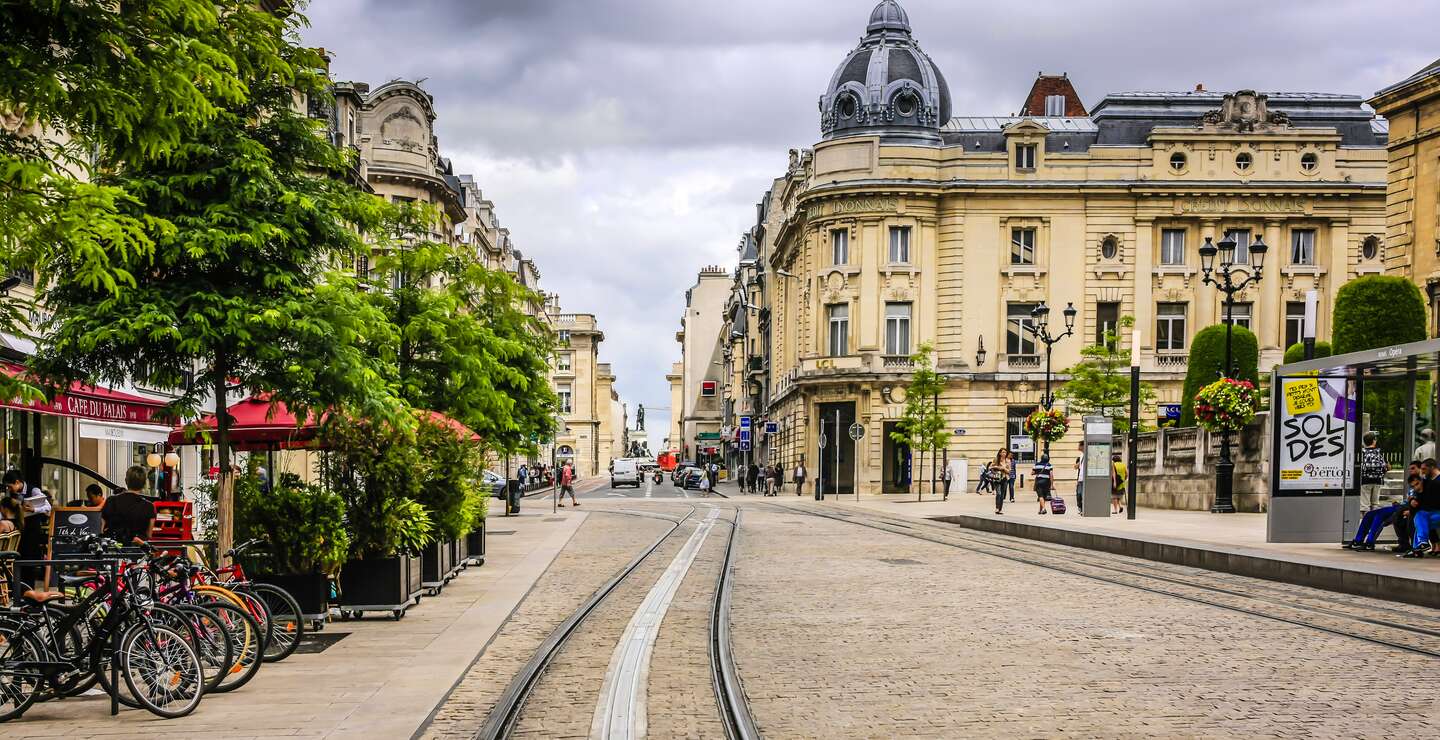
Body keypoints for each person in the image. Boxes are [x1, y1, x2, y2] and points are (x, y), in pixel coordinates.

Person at [1351, 474, 1417, 550]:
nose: (1411, 471)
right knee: (1369, 514)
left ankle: (1370, 542)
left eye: (1413, 469)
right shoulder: (1413, 484)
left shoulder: (1420, 485)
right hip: (1400, 506)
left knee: (1379, 516)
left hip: (1404, 508)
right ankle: (1358, 541)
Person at [101, 465, 156, 546]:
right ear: (144, 483)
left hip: (113, 549)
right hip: (137, 551)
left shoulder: (111, 501)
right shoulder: (149, 506)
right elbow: (149, 535)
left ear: (126, 481)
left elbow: (101, 529)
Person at [1401, 457, 1440, 557]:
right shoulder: (1426, 482)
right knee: (1419, 519)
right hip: (1431, 513)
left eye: (1424, 469)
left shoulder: (1433, 483)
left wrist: (1414, 502)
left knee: (1419, 518)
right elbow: (1420, 501)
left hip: (1435, 512)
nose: (1422, 472)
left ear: (1431, 467)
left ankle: (1419, 546)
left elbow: (1430, 502)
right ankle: (1420, 545)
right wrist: (1411, 501)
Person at [1359, 432, 1389, 513]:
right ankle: (1374, 522)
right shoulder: (1379, 452)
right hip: (1378, 480)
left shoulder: (1362, 452)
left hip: (1365, 480)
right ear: (1374, 441)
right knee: (1375, 504)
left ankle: (1366, 521)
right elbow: (1387, 467)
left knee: (1365, 506)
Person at [988, 450, 1010, 514]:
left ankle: (1000, 509)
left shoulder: (1007, 461)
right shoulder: (996, 460)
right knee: (999, 493)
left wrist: (1003, 469)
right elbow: (990, 467)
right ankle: (997, 508)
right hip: (997, 478)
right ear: (1000, 453)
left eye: (1005, 452)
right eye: (1003, 452)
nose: (1004, 453)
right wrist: (997, 467)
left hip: (1004, 478)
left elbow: (1009, 471)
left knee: (1002, 495)